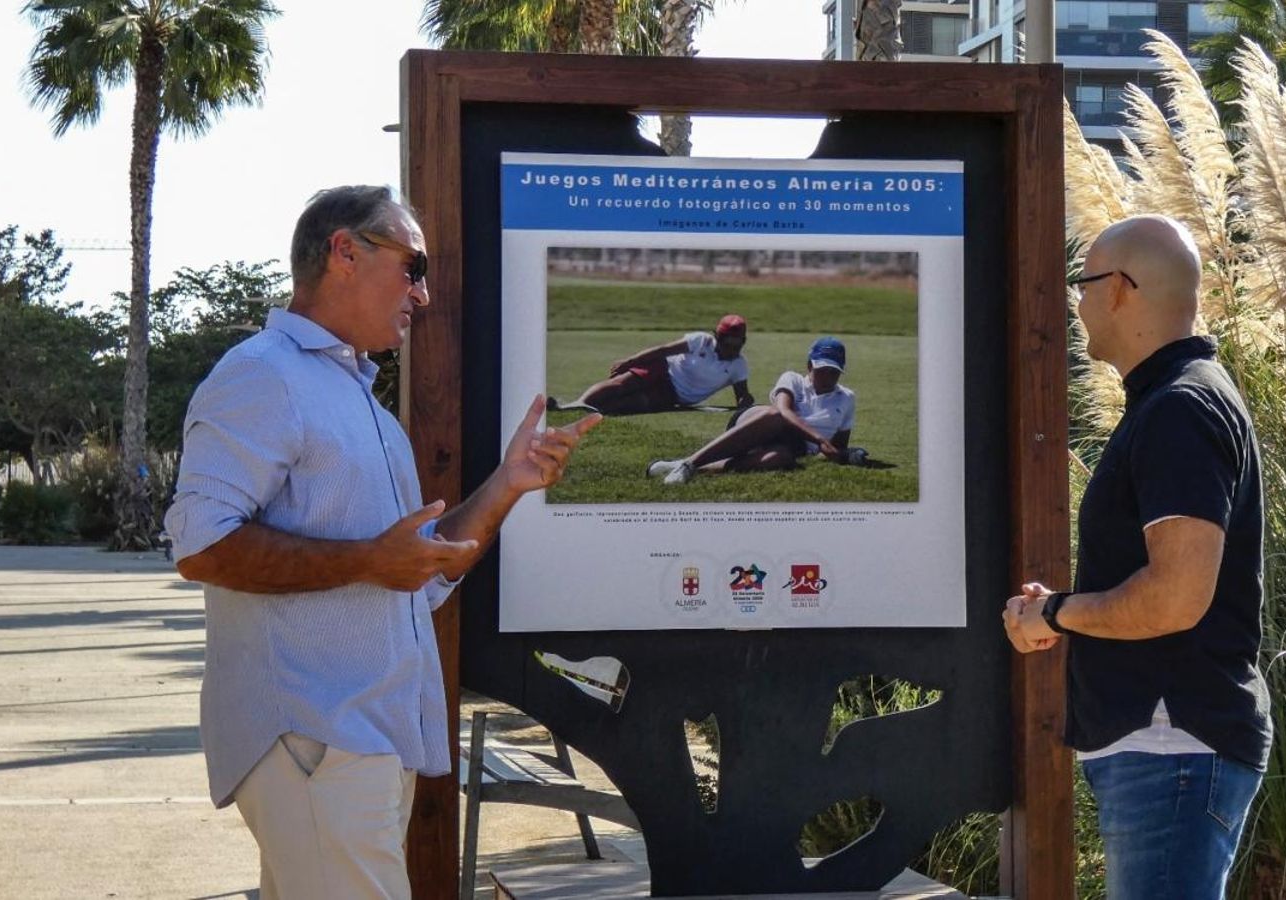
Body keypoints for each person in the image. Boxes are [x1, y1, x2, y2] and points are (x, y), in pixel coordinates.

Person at [163, 185, 601, 900]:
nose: (422, 293)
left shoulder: (350, 395)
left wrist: (508, 483)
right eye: (413, 266)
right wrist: (371, 561)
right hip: (316, 742)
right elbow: (201, 547)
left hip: (358, 747)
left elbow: (416, 572)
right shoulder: (262, 374)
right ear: (344, 252)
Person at [1001, 215, 1269, 899]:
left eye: (1084, 284)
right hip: (1167, 751)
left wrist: (1055, 614)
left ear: (1119, 289)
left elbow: (1175, 596)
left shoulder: (1180, 407)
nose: (1078, 302)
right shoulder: (1175, 399)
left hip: (1171, 747)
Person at [647, 336, 856, 485]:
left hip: (793, 446)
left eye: (834, 372)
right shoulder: (792, 379)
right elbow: (783, 411)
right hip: (759, 425)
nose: (828, 377)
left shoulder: (847, 398)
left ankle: (691, 468)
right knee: (775, 415)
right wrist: (819, 439)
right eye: (822, 370)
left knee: (781, 458)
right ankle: (690, 463)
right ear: (810, 366)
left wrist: (840, 454)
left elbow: (838, 446)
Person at [550, 314, 754, 415]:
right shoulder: (701, 340)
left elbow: (742, 395)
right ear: (718, 337)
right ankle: (575, 405)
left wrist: (745, 401)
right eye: (729, 341)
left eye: (738, 342)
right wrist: (630, 362)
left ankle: (592, 413)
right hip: (662, 368)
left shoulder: (739, 365)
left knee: (636, 403)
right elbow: (662, 351)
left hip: (674, 395)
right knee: (621, 385)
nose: (733, 347)